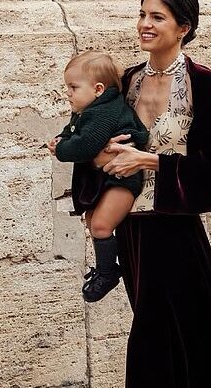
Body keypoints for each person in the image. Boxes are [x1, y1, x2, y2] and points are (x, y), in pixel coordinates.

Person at [85, 0, 211, 388]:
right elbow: (98, 138)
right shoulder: (128, 81)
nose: (144, 24)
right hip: (135, 226)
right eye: (142, 14)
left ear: (183, 28)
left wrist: (152, 160)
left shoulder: (201, 82)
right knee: (163, 334)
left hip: (186, 227)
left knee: (195, 334)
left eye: (157, 17)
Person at [47, 51, 149, 302]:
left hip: (122, 179)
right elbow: (75, 130)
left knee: (101, 225)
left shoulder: (104, 113)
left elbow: (85, 145)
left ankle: (109, 273)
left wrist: (61, 149)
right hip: (108, 177)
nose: (68, 93)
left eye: (73, 87)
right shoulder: (91, 108)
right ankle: (108, 268)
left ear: (98, 88)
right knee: (92, 220)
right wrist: (63, 138)